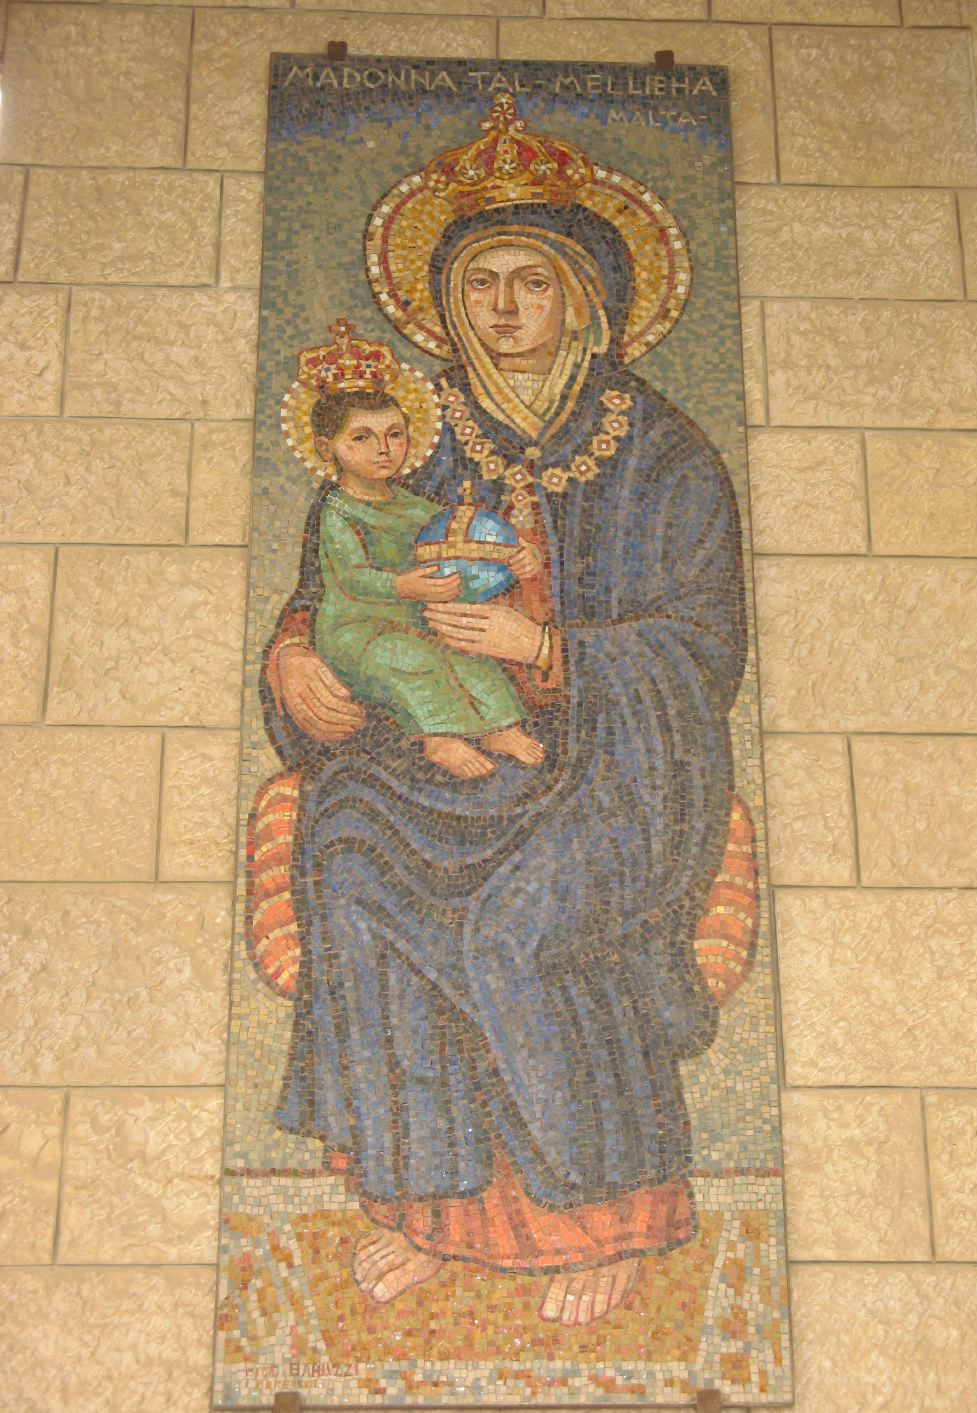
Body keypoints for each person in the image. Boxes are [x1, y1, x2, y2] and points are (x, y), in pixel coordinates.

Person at [262, 97, 747, 1327]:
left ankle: (609, 1214)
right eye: (480, 286)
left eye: (533, 283)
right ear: (446, 303)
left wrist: (548, 647)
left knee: (515, 928)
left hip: (620, 759)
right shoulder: (411, 434)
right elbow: (335, 587)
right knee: (351, 848)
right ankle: (429, 1208)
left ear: (584, 302)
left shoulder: (665, 455)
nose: (504, 309)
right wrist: (295, 658)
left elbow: (703, 649)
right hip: (443, 756)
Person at [308, 371, 545, 779]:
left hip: (416, 621)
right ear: (326, 447)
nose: (383, 449)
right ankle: (439, 738)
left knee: (467, 650)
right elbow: (352, 577)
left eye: (394, 435)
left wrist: (520, 553)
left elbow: (462, 538)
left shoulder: (413, 506)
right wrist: (404, 586)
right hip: (357, 632)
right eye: (362, 437)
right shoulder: (337, 511)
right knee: (411, 658)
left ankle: (500, 728)